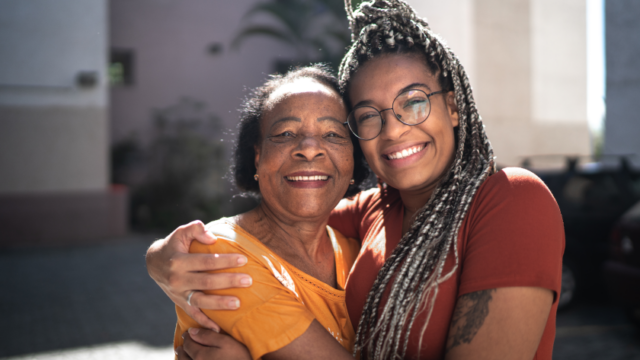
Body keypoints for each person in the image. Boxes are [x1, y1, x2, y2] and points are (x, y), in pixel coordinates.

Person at [147, 1, 565, 359]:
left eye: (413, 103)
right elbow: (290, 216)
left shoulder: (512, 200)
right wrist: (162, 259)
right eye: (368, 115)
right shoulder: (375, 211)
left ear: (454, 108)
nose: (395, 129)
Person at [170, 65, 373, 360]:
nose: (309, 148)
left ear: (353, 159)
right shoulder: (218, 254)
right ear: (257, 156)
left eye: (332, 134)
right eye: (286, 133)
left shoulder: (359, 255)